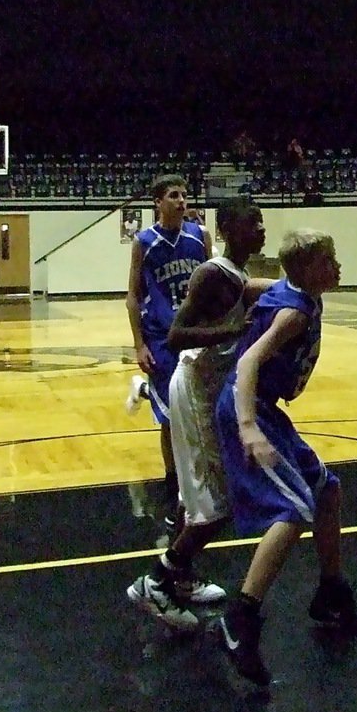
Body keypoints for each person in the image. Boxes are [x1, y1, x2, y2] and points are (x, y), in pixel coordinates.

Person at [215, 229, 357, 688]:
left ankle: (331, 594)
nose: (338, 266)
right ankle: (240, 617)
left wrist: (235, 288)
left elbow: (251, 287)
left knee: (327, 489)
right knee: (294, 509)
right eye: (329, 260)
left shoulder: (286, 290)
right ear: (307, 270)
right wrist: (248, 428)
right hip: (249, 409)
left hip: (265, 408)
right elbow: (248, 364)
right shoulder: (294, 312)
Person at [127, 199, 268, 631]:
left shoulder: (237, 275)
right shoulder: (212, 273)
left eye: (262, 221)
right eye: (253, 223)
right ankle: (157, 582)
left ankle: (182, 577)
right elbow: (175, 335)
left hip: (211, 388)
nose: (261, 229)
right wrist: (233, 331)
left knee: (200, 498)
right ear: (227, 228)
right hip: (194, 386)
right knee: (216, 500)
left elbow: (256, 290)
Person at [124, 174, 213, 536]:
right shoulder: (143, 242)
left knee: (199, 406)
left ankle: (204, 475)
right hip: (161, 336)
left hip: (199, 332)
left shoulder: (200, 237)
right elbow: (132, 296)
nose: (181, 200)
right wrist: (138, 345)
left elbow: (216, 282)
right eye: (173, 195)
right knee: (171, 418)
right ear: (157, 203)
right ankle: (173, 484)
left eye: (184, 195)